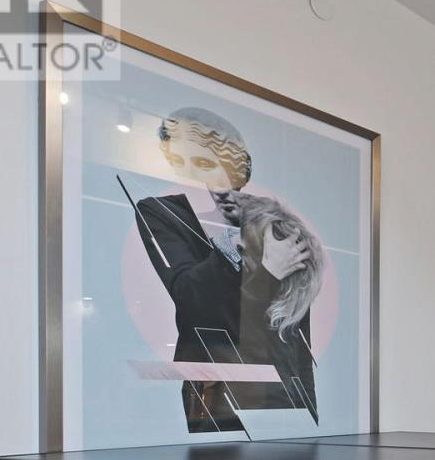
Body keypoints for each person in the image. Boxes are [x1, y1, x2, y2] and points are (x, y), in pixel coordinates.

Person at [132, 106, 319, 431]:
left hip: (281, 385)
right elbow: (192, 301)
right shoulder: (163, 212)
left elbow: (295, 330)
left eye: (204, 163)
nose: (190, 174)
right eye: (178, 162)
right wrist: (265, 268)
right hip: (215, 389)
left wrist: (310, 410)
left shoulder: (271, 220)